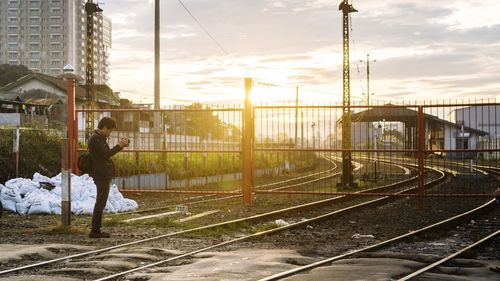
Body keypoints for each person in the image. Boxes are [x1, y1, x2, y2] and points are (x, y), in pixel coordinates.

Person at [88, 117, 129, 238]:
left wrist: (120, 146)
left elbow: (105, 154)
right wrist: (119, 146)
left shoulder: (99, 138)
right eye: (110, 130)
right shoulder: (96, 139)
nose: (110, 133)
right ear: (104, 127)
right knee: (100, 202)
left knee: (101, 201)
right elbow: (106, 154)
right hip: (101, 174)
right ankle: (95, 230)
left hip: (102, 173)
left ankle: (96, 229)